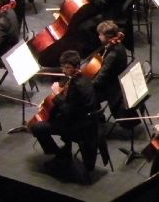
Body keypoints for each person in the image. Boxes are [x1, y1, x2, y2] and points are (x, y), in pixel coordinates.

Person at [30, 49, 100, 184]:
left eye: (67, 67)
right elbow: (72, 103)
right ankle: (63, 152)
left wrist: (56, 95)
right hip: (89, 121)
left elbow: (68, 111)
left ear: (76, 67)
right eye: (63, 67)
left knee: (36, 127)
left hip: (78, 126)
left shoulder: (77, 86)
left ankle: (59, 154)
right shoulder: (83, 78)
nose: (64, 70)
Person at [89, 20, 130, 120]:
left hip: (112, 88)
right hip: (115, 79)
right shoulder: (118, 45)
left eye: (100, 35)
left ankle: (97, 117)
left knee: (86, 96)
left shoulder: (112, 55)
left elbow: (100, 79)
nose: (99, 36)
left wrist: (87, 85)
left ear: (107, 37)